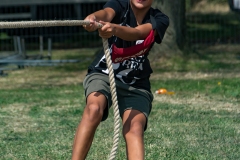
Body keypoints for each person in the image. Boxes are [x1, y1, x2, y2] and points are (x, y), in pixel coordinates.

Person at [72, 0, 169, 159]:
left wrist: (114, 29)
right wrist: (92, 18)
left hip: (136, 84)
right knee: (94, 109)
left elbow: (138, 33)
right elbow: (106, 14)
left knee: (134, 128)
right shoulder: (119, 5)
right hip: (103, 73)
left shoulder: (160, 19)